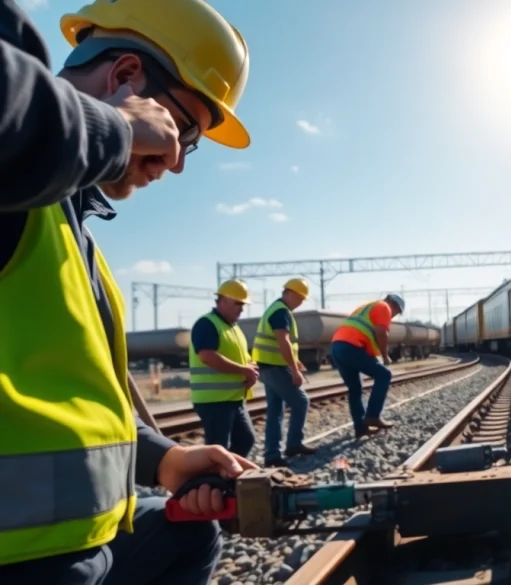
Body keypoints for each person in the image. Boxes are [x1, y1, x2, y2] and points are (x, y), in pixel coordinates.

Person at [0, 0, 254, 583]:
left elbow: (70, 407)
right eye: (182, 130)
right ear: (125, 77)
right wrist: (113, 127)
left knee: (188, 533)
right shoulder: (19, 197)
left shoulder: (68, 228)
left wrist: (167, 459)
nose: (176, 161)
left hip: (68, 543)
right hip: (29, 560)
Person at [189, 279, 260, 458]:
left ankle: (227, 472)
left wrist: (251, 369)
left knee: (245, 440)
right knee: (218, 448)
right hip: (214, 401)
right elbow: (207, 356)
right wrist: (243, 370)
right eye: (238, 303)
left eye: (243, 304)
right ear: (223, 300)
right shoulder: (206, 324)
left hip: (234, 398)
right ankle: (215, 475)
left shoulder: (233, 328)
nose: (241, 308)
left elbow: (242, 358)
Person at [252, 278, 317, 467]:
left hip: (268, 366)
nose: (301, 302)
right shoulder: (281, 312)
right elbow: (283, 341)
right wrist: (295, 371)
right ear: (290, 293)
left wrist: (295, 361)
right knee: (301, 401)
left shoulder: (276, 309)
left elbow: (279, 343)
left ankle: (272, 455)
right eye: (300, 298)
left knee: (275, 410)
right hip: (274, 367)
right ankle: (293, 445)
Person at [330, 293, 406, 438]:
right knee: (384, 375)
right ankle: (373, 415)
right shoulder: (384, 307)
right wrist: (385, 356)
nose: (393, 316)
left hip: (337, 347)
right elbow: (381, 333)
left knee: (355, 388)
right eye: (397, 312)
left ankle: (360, 428)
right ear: (393, 304)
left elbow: (362, 331)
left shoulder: (366, 307)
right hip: (351, 346)